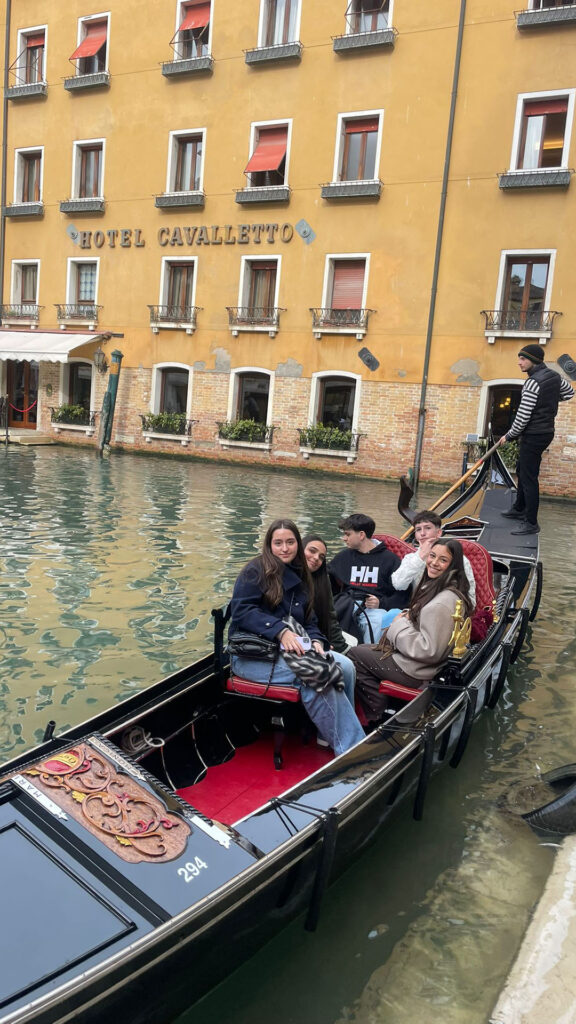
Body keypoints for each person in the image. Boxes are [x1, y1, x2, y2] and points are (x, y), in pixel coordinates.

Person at [229, 519, 365, 755]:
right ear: (269, 545)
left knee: (345, 666)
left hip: (289, 651)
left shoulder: (299, 574)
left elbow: (309, 619)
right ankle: (351, 748)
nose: (285, 548)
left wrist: (317, 641)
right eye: (278, 543)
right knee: (318, 673)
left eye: (290, 542)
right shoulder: (255, 570)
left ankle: (328, 734)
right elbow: (241, 611)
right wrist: (280, 631)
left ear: (297, 544)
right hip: (252, 657)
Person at [349, 538, 473, 723]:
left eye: (443, 560)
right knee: (363, 649)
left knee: (354, 655)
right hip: (422, 665)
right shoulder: (444, 590)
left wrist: (398, 625)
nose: (434, 563)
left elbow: (429, 651)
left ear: (453, 565)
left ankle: (375, 711)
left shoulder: (441, 603)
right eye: (432, 556)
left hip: (418, 671)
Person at [499, 344, 574, 535]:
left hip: (534, 434)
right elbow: (569, 392)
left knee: (529, 477)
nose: (519, 362)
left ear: (533, 360)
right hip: (545, 432)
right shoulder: (554, 377)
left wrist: (509, 435)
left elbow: (522, 417)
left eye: (523, 359)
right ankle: (519, 508)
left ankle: (531, 522)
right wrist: (547, 401)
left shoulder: (532, 383)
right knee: (522, 469)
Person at [328, 513, 409, 644]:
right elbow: (326, 578)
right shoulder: (344, 556)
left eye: (348, 534)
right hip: (346, 604)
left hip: (374, 610)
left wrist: (381, 603)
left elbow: (403, 595)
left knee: (378, 620)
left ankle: (368, 654)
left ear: (361, 535)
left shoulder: (390, 560)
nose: (344, 538)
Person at [302, 533, 357, 706]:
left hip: (317, 639)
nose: (316, 558)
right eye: (312, 551)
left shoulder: (321, 579)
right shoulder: (287, 578)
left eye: (321, 557)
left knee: (354, 656)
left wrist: (337, 645)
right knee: (347, 666)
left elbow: (329, 617)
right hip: (302, 643)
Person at [391, 510, 476, 606]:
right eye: (418, 529)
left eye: (427, 528)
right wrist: (420, 557)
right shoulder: (411, 558)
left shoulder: (459, 558)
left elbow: (470, 598)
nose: (422, 533)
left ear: (439, 533)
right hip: (417, 607)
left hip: (447, 607)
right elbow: (398, 585)